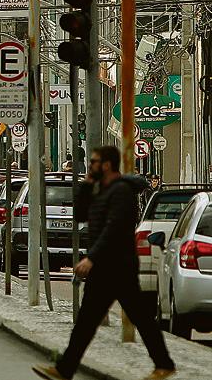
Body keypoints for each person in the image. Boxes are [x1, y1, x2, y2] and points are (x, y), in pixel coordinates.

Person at [32, 146, 175, 380]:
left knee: (138, 318)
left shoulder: (121, 192)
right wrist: (87, 184)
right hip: (105, 267)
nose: (90, 165)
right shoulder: (103, 190)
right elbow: (80, 215)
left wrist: (91, 258)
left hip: (118, 266)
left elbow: (114, 229)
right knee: (88, 322)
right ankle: (65, 369)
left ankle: (164, 363)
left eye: (94, 162)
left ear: (107, 164)